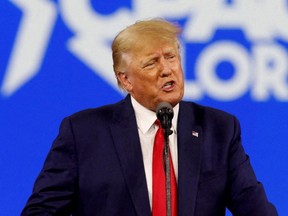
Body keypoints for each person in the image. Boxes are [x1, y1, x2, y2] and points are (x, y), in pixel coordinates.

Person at [21, 18, 277, 216]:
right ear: (125, 79)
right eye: (151, 63)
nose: (167, 70)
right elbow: (42, 211)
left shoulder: (218, 129)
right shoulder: (84, 133)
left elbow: (254, 208)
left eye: (171, 57)